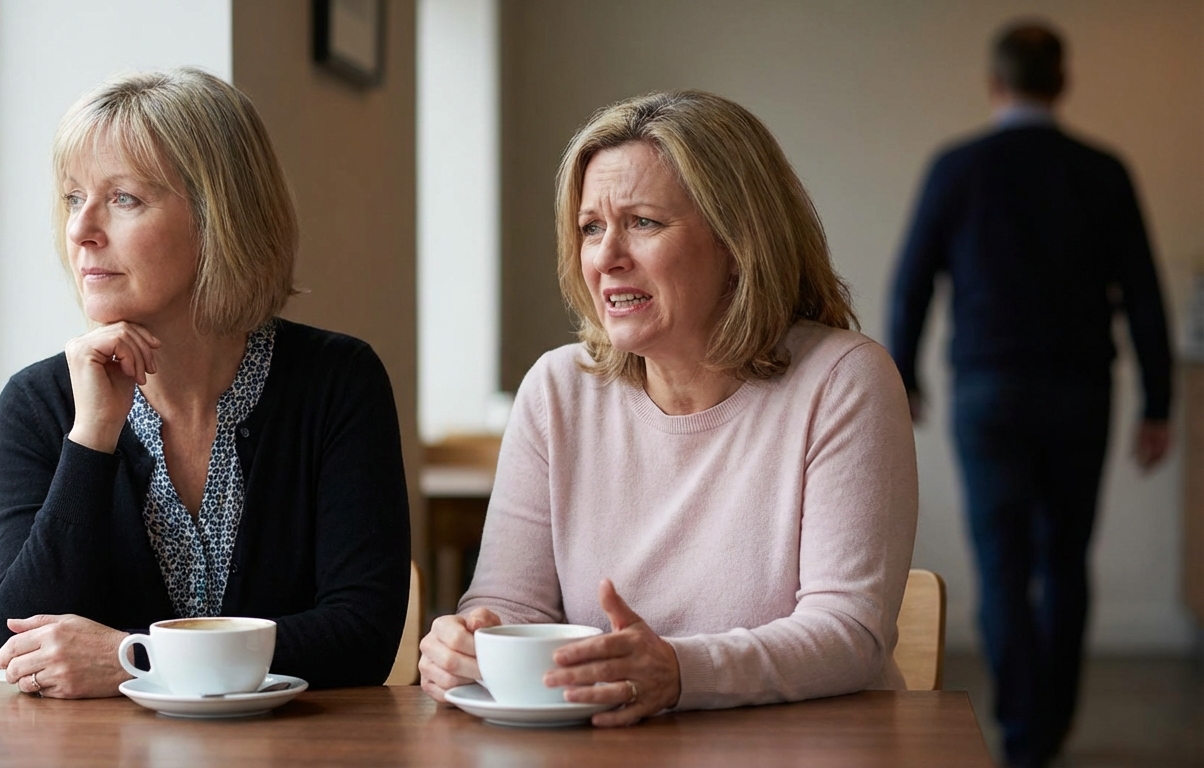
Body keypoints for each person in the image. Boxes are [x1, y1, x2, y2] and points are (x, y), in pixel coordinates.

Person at [419, 90, 919, 726]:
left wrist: (678, 672)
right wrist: (471, 640)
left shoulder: (845, 379)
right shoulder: (556, 389)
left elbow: (849, 632)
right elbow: (509, 605)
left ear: (739, 243)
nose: (605, 257)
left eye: (644, 223)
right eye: (591, 228)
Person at [0, 68, 411, 698]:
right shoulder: (38, 405)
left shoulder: (338, 383)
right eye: (75, 198)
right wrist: (92, 438)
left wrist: (139, 658)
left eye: (123, 198)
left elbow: (362, 637)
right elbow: (18, 639)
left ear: (220, 216)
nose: (81, 230)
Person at [887, 21, 1172, 768]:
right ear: (1063, 82)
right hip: (1081, 393)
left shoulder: (957, 168)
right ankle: (1053, 727)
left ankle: (1020, 735)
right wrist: (1159, 405)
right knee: (1066, 560)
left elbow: (910, 282)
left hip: (988, 394)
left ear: (994, 83)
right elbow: (1144, 296)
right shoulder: (1103, 171)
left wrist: (902, 378)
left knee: (1003, 564)